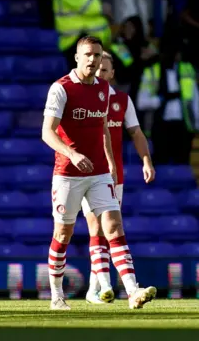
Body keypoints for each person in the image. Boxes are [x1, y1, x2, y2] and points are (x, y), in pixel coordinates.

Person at [42, 35, 156, 310]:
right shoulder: (61, 88)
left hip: (100, 173)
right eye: (88, 55)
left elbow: (103, 128)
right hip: (68, 173)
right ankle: (57, 296)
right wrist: (72, 153)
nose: (93, 60)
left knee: (114, 227)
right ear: (77, 58)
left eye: (97, 54)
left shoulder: (104, 89)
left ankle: (132, 291)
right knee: (63, 234)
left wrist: (111, 165)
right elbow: (47, 132)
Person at [82, 51, 156, 304]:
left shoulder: (122, 101)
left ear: (112, 73)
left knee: (108, 230)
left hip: (116, 177)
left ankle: (96, 290)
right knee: (97, 228)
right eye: (97, 69)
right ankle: (106, 287)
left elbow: (136, 133)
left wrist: (146, 160)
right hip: (88, 173)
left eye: (105, 70)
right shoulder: (84, 98)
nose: (99, 73)